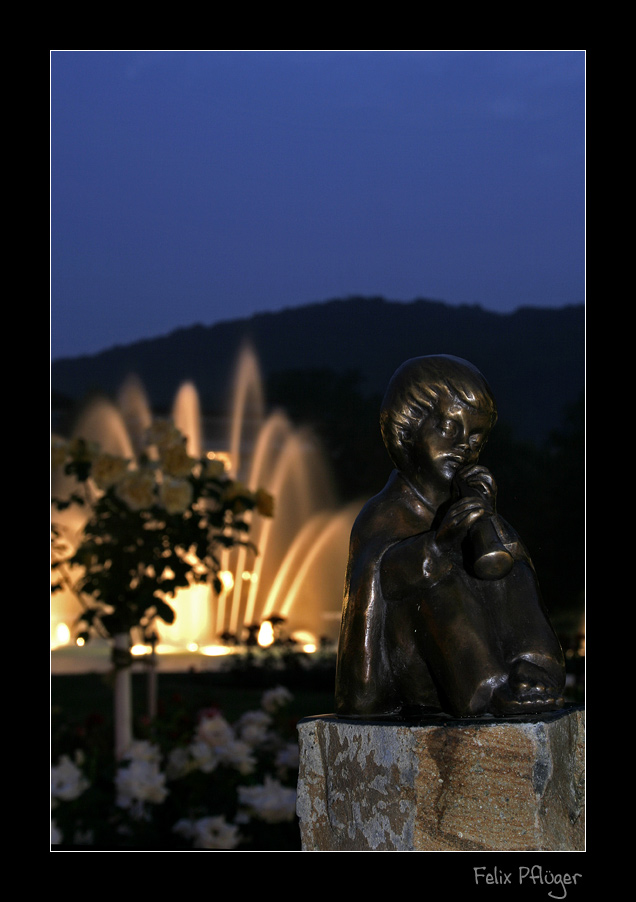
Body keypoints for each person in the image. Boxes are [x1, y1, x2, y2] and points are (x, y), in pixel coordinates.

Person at [335, 355, 565, 718]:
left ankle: (532, 669)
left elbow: (501, 570)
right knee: (434, 577)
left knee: (513, 564)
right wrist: (438, 547)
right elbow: (382, 576)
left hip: (468, 658)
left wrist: (490, 525)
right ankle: (486, 689)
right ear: (408, 428)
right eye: (448, 428)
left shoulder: (467, 501)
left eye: (475, 436)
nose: (464, 446)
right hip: (421, 670)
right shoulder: (385, 514)